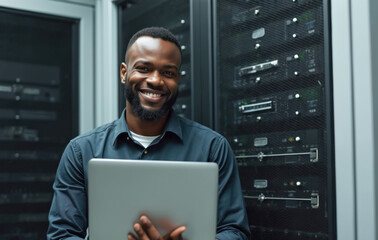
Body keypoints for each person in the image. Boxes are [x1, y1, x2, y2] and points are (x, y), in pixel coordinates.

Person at [47, 26, 250, 240]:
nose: (155, 80)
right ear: (124, 73)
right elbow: (62, 235)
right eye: (144, 68)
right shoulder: (81, 152)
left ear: (178, 79)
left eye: (168, 73)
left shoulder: (213, 148)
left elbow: (235, 232)